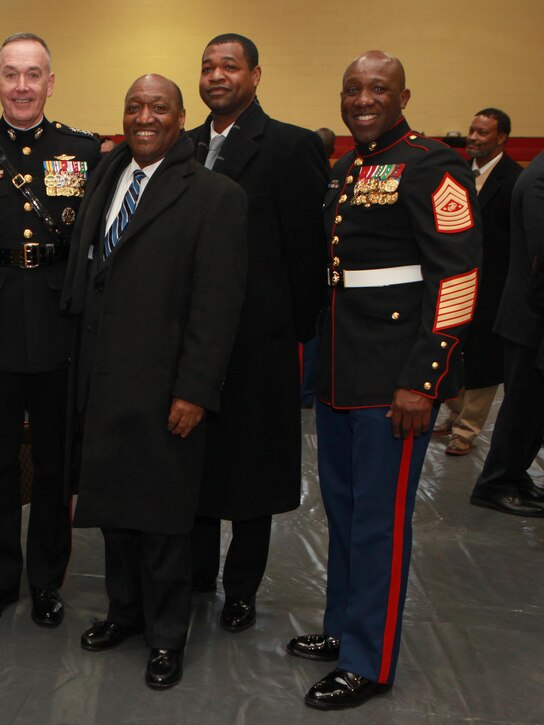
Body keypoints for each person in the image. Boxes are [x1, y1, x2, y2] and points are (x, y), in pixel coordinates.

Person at [287, 51, 480, 710]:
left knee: (380, 522)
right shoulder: (348, 168)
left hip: (395, 379)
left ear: (403, 96)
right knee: (344, 512)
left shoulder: (434, 165)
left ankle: (368, 661)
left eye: (377, 88)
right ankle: (344, 626)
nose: (363, 99)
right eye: (352, 89)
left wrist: (424, 380)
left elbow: (457, 279)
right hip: (341, 371)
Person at [61, 74, 247, 690]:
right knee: (114, 509)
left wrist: (194, 390)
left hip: (166, 386)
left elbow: (217, 307)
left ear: (181, 117)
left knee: (164, 520)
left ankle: (167, 636)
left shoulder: (215, 196)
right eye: (134, 106)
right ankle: (125, 613)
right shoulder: (107, 174)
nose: (144, 117)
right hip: (104, 377)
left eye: (158, 107)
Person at [0, 32, 99, 630]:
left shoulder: (83, 150)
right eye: (11, 74)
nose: (22, 86)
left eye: (34, 74)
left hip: (60, 325)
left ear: (50, 83)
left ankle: (47, 581)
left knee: (57, 465)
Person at [188, 33, 328, 633]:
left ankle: (241, 588)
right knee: (193, 461)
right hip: (192, 340)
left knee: (252, 470)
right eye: (208, 67)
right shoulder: (184, 145)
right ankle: (195, 576)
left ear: (255, 75)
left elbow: (307, 253)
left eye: (230, 66)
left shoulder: (291, 147)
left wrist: (287, 331)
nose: (217, 76)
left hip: (259, 343)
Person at [434, 109, 522, 456]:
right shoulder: (457, 172)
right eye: (472, 130)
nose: (473, 137)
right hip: (455, 280)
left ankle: (466, 431)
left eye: (483, 133)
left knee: (484, 359)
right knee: (451, 350)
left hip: (492, 286)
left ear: (501, 139)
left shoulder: (513, 180)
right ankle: (454, 413)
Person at [468, 151, 544, 515]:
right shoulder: (540, 178)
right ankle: (496, 483)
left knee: (533, 408)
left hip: (530, 312)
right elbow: (540, 255)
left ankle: (514, 476)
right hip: (531, 315)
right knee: (522, 407)